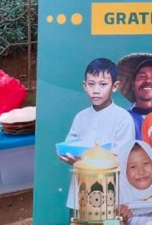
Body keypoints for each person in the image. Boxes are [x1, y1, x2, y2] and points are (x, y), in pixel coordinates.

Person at [61, 58, 135, 211]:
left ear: (115, 86)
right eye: (91, 84)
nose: (96, 90)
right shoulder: (80, 117)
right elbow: (69, 146)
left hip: (110, 193)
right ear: (84, 85)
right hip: (80, 191)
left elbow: (121, 158)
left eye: (103, 84)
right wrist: (69, 156)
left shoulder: (123, 118)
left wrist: (86, 160)